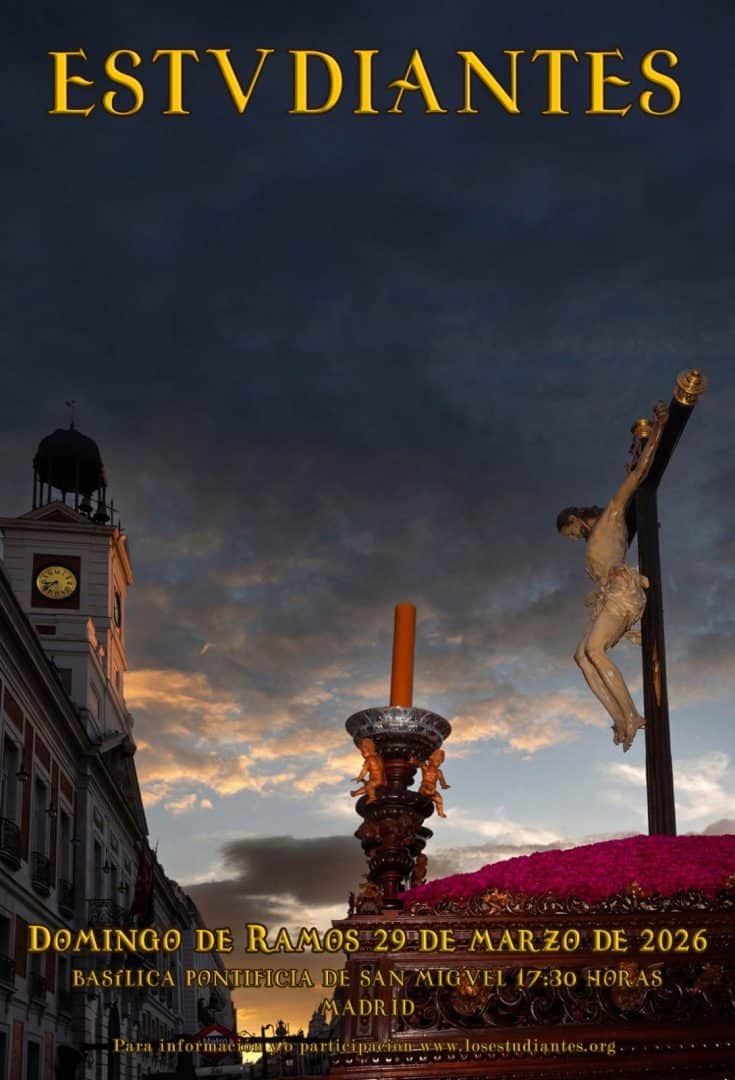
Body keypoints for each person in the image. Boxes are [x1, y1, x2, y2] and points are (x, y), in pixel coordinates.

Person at [557, 401, 669, 752]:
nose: (574, 539)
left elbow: (638, 476)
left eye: (571, 533)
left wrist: (659, 431)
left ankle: (633, 713)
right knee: (581, 656)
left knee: (594, 649)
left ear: (575, 519)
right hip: (610, 596)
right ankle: (620, 718)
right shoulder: (595, 540)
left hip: (624, 593)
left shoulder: (612, 516)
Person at [350, 738, 386, 803]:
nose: (362, 754)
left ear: (368, 750)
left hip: (376, 780)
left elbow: (364, 771)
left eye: (362, 752)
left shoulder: (369, 759)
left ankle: (372, 797)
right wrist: (363, 780)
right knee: (368, 785)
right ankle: (355, 793)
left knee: (369, 786)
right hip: (382, 780)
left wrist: (359, 777)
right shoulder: (378, 757)